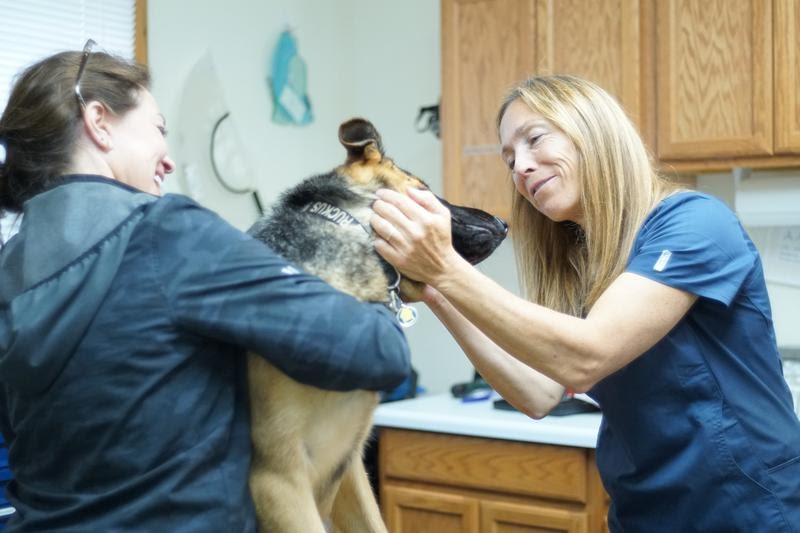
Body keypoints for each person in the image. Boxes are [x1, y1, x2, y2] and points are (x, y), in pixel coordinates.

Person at [0, 43, 410, 532]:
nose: (168, 160)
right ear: (99, 122)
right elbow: (379, 352)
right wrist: (386, 281)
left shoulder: (9, 269)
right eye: (158, 131)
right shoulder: (166, 235)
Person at [370, 74, 800, 532]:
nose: (521, 168)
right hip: (642, 513)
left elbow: (587, 356)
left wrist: (446, 268)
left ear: (593, 130)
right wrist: (437, 292)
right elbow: (539, 392)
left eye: (535, 139)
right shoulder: (585, 262)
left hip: (744, 511)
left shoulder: (695, 222)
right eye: (510, 160)